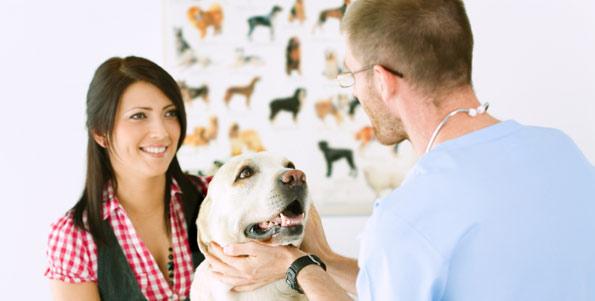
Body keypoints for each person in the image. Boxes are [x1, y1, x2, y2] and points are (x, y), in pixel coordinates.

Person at [205, 0, 595, 300]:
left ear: (382, 80)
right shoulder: (561, 151)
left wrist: (297, 266)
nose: (355, 91)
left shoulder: (407, 215)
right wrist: (325, 260)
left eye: (350, 76)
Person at [45, 56, 209, 301]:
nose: (162, 132)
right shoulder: (76, 237)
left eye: (170, 113)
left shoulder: (215, 196)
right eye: (139, 116)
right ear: (101, 133)